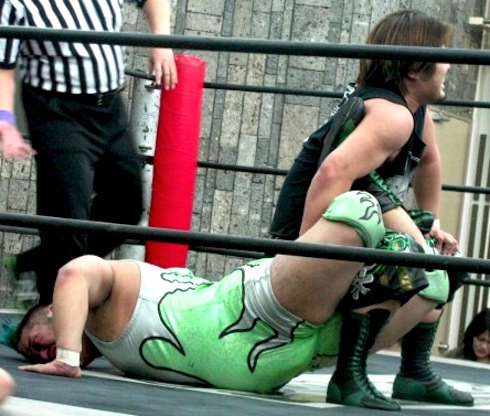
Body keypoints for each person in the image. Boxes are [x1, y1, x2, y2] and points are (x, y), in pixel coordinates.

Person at [2, 191, 442, 411]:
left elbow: (74, 274)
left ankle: (401, 245)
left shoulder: (105, 290)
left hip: (270, 326)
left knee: (431, 278)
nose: (40, 354)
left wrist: (66, 356)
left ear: (52, 309)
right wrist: (67, 357)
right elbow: (73, 280)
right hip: (268, 335)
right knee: (372, 215)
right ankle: (396, 248)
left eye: (34, 343)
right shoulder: (106, 340)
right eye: (36, 356)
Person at [269, 9, 473, 407]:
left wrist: (430, 223)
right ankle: (349, 375)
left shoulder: (414, 112)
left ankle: (414, 371)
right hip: (316, 231)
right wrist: (305, 254)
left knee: (444, 259)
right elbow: (332, 174)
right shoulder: (391, 114)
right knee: (406, 256)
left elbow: (429, 162)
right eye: (443, 54)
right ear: (414, 69)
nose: (450, 64)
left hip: (363, 213)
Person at [0, 0, 178, 306]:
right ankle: (53, 315)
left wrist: (161, 41)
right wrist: (5, 120)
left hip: (108, 109)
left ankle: (36, 268)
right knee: (69, 222)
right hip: (58, 114)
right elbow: (3, 67)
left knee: (127, 205)